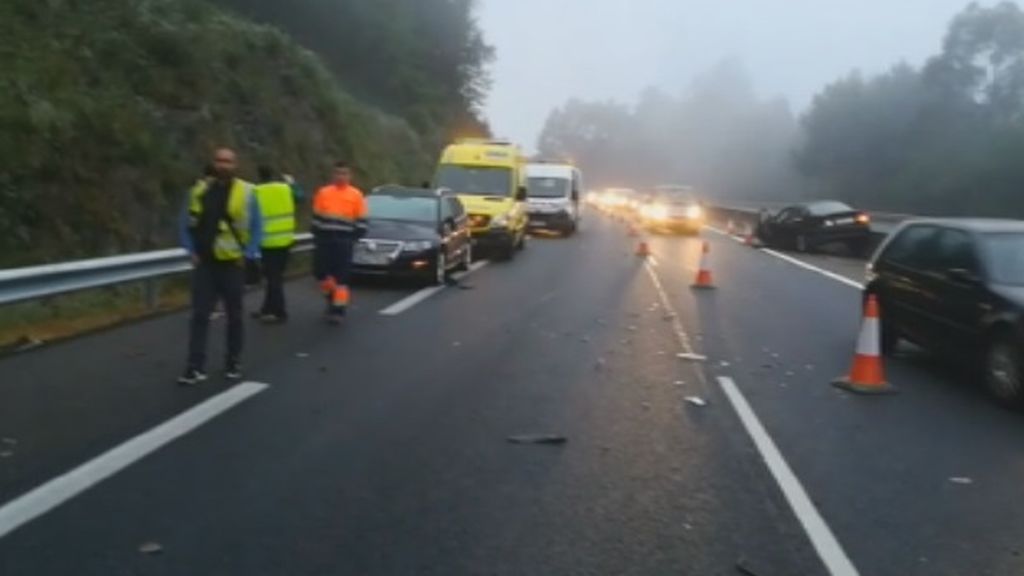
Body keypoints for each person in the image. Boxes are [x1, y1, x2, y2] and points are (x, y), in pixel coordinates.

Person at [178, 148, 263, 385]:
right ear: (213, 163)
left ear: (235, 165)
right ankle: (194, 366)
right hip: (205, 263)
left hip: (231, 264)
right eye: (219, 160)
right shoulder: (198, 191)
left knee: (234, 316)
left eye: (228, 161)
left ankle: (233, 361)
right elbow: (184, 223)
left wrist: (248, 254)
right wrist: (190, 250)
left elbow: (257, 227)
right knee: (199, 315)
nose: (223, 165)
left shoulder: (247, 192)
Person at [312, 161, 367, 323]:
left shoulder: (356, 195)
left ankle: (338, 310)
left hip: (344, 242)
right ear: (332, 175)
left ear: (350, 176)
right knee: (321, 274)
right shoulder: (323, 193)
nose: (341, 176)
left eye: (344, 173)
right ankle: (330, 297)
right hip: (324, 241)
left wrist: (352, 239)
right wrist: (318, 236)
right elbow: (316, 219)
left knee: (342, 278)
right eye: (338, 173)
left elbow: (362, 221)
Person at [251, 165, 300, 323]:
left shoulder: (256, 192)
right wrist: (293, 183)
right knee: (275, 277)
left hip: (267, 242)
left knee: (272, 278)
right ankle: (267, 308)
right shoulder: (285, 188)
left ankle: (280, 312)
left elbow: (249, 217)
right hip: (285, 240)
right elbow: (300, 197)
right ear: (273, 175)